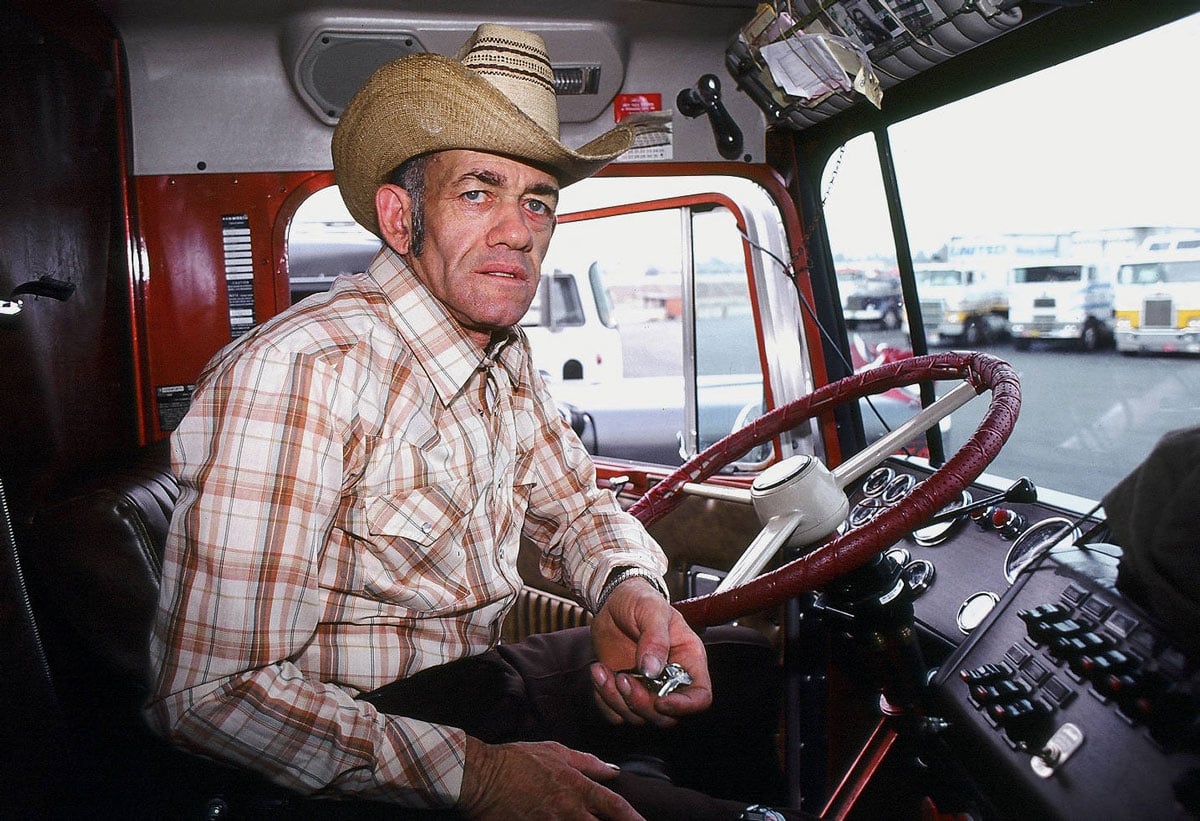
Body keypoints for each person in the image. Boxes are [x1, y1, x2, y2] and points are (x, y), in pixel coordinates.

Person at [145, 23, 793, 820]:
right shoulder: (304, 372)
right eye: (478, 191)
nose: (518, 230)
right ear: (399, 217)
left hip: (474, 684)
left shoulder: (500, 352)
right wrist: (479, 776)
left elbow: (576, 507)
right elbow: (209, 696)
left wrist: (627, 586)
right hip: (358, 732)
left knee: (743, 663)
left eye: (537, 201)